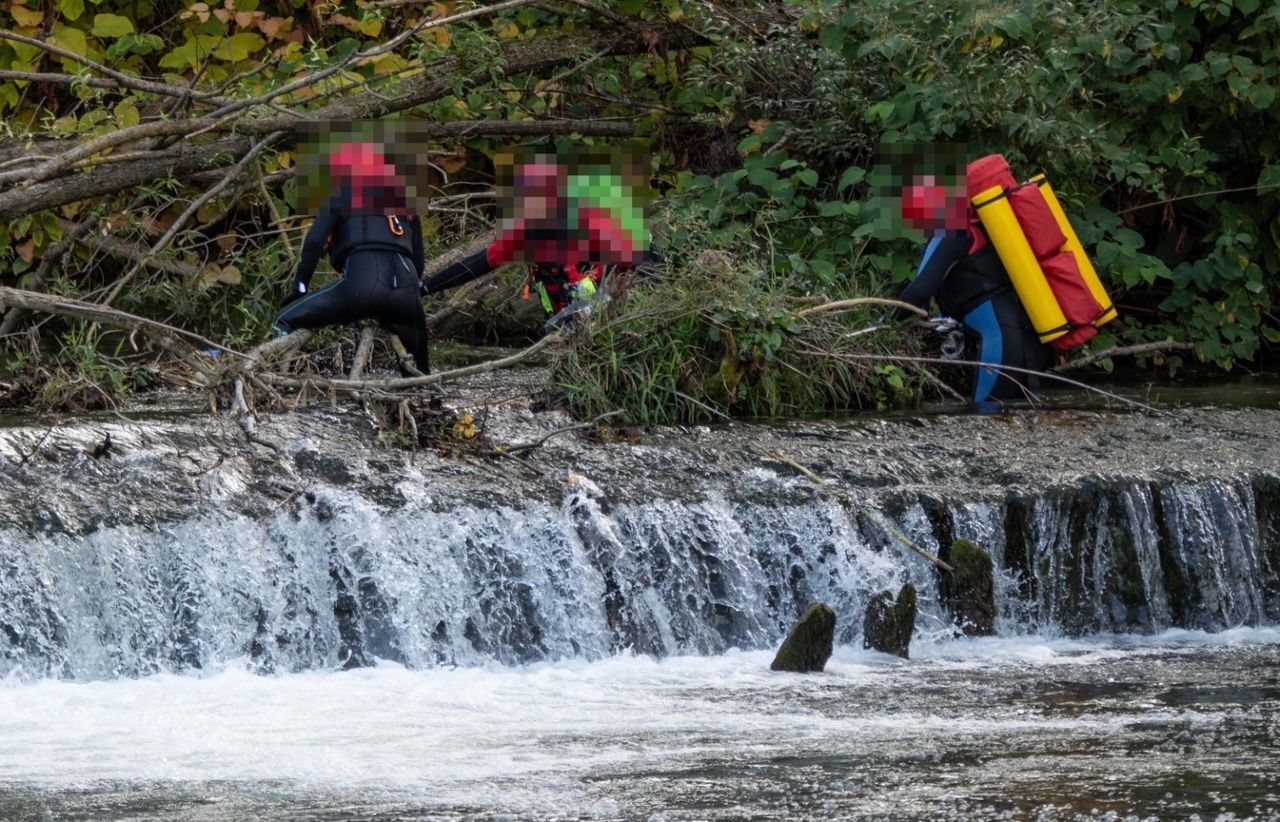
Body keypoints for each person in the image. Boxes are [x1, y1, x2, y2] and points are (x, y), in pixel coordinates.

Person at [421, 155, 652, 327]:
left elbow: (646, 263)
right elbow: (473, 266)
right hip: (562, 323)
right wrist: (426, 287)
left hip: (615, 314)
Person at [275, 141, 431, 373]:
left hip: (362, 287)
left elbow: (314, 243)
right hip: (407, 297)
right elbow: (418, 265)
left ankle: (277, 381)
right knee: (420, 377)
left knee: (284, 318)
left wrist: (300, 288)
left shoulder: (341, 194)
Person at [895, 173, 1051, 404]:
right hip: (1028, 341)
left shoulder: (950, 233)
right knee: (1017, 419)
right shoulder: (980, 228)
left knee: (986, 415)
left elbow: (918, 293)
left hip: (1000, 345)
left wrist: (885, 322)